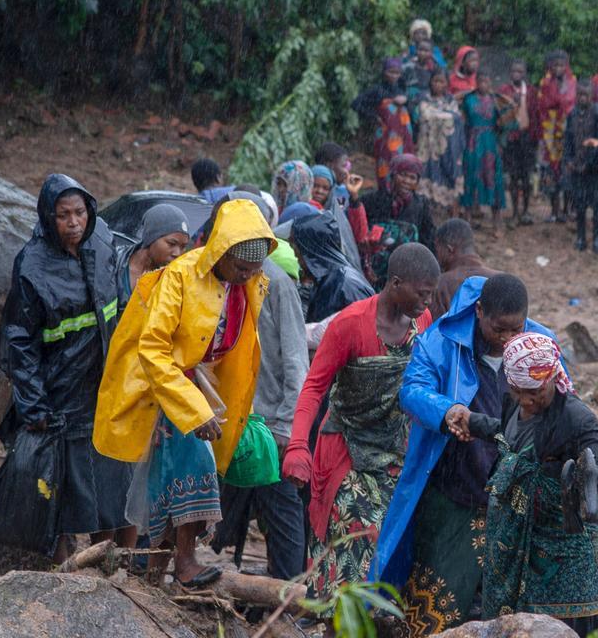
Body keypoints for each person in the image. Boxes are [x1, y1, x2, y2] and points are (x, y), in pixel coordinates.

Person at [94, 198, 276, 588]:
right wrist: (192, 409)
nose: (248, 275)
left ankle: (156, 570)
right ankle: (186, 561)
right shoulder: (180, 277)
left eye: (254, 269)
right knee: (194, 464)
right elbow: (154, 348)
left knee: (166, 477)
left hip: (196, 385)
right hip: (157, 386)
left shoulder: (247, 285)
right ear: (220, 252)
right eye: (241, 267)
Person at [371, 274, 560, 636]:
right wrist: (447, 411)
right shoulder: (441, 341)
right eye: (498, 329)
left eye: (515, 330)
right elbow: (412, 390)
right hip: (453, 491)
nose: (507, 340)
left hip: (515, 499)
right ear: (479, 312)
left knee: (510, 606)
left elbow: (565, 400)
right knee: (437, 602)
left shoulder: (540, 345)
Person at [281, 244, 440, 602]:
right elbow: (314, 388)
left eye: (431, 294)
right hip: (347, 453)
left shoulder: (422, 322)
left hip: (395, 453)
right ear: (396, 283)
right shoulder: (350, 325)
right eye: (422, 293)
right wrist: (297, 446)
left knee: (395, 551)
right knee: (356, 538)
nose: (426, 302)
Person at [0, 173, 135, 561]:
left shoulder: (101, 245)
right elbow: (19, 340)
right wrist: (33, 402)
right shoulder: (32, 264)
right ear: (47, 217)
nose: (74, 223)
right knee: (59, 479)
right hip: (58, 388)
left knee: (109, 475)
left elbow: (117, 311)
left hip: (101, 386)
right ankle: (60, 559)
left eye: (79, 213)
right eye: (63, 215)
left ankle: (107, 557)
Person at [473, 333, 598, 637]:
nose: (527, 400)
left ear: (552, 377)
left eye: (536, 391)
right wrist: (472, 421)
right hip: (521, 538)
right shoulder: (511, 404)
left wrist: (591, 481)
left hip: (567, 548)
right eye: (519, 391)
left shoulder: (575, 418)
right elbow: (508, 434)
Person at [212, 252, 310, 580]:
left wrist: (286, 425)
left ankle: (286, 593)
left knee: (280, 505)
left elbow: (296, 358)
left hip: (266, 423)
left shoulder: (276, 283)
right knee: (221, 500)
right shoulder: (215, 276)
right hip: (228, 418)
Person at [360, 154, 436, 288]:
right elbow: (360, 230)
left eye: (412, 177)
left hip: (405, 271)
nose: (406, 181)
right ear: (393, 175)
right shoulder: (372, 200)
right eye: (402, 175)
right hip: (372, 271)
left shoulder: (421, 206)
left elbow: (428, 239)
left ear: (417, 182)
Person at [289, 210, 375, 325]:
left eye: (298, 252)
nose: (296, 257)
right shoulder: (326, 279)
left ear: (311, 252)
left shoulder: (346, 285)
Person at [352, 58, 414, 190]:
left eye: (397, 73)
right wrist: (374, 117)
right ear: (384, 72)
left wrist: (405, 101)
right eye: (391, 72)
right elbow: (356, 103)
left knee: (405, 163)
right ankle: (385, 194)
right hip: (387, 134)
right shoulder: (377, 90)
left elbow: (410, 109)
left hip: (404, 134)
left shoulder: (402, 88)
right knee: (386, 163)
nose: (394, 76)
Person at [114, 204, 190, 306]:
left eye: (183, 247)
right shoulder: (113, 261)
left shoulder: (174, 281)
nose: (178, 253)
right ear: (151, 237)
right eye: (171, 244)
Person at [461, 71, 508, 237]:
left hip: (490, 143)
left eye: (487, 82)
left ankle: (497, 221)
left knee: (493, 178)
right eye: (480, 81)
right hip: (473, 142)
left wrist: (501, 142)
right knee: (470, 177)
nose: (483, 85)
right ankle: (466, 221)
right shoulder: (467, 99)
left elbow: (506, 122)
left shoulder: (496, 101)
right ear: (476, 82)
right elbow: (462, 121)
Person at [535, 50, 577, 222]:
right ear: (550, 67)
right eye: (555, 65)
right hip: (550, 130)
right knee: (552, 171)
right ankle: (554, 210)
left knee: (567, 169)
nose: (558, 68)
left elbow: (573, 103)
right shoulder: (545, 83)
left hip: (568, 130)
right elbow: (541, 105)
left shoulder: (572, 82)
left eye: (562, 65)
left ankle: (567, 209)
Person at [416, 70, 466, 213]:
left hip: (449, 150)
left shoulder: (450, 100)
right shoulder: (423, 98)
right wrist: (447, 117)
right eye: (435, 81)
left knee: (450, 179)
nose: (438, 84)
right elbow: (425, 115)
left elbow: (456, 119)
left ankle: (452, 216)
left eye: (441, 81)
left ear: (446, 84)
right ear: (430, 82)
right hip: (427, 149)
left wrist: (442, 116)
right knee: (426, 179)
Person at [563, 80, 598, 254]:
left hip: (594, 167)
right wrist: (569, 160)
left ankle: (596, 238)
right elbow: (568, 140)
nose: (582, 98)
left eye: (586, 94)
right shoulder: (572, 114)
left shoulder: (597, 114)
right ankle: (580, 237)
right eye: (580, 94)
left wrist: (589, 162)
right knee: (579, 204)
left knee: (596, 205)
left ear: (591, 95)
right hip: (576, 166)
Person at [430, 218, 498, 319]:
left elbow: (435, 330)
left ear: (449, 250)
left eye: (437, 249)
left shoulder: (441, 285)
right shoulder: (500, 279)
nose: (436, 256)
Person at [498, 59, 537, 226]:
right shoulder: (504, 91)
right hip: (511, 140)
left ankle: (526, 211)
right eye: (514, 71)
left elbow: (536, 115)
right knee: (513, 177)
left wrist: (536, 139)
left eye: (520, 72)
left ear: (524, 74)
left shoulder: (531, 91)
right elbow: (500, 115)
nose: (516, 74)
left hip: (527, 139)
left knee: (527, 177)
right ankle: (514, 213)